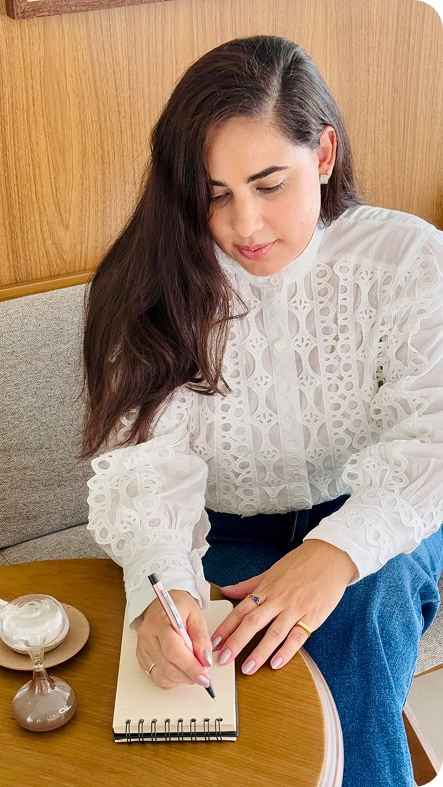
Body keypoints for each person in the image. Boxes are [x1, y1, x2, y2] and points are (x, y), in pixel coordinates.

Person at [78, 35, 443, 786]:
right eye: (215, 194)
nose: (245, 225)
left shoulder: (407, 260)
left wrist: (333, 553)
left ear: (324, 154)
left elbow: (432, 438)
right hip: (230, 536)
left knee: (363, 613)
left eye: (269, 184)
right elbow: (147, 468)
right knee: (233, 666)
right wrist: (165, 595)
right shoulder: (152, 285)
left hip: (380, 513)